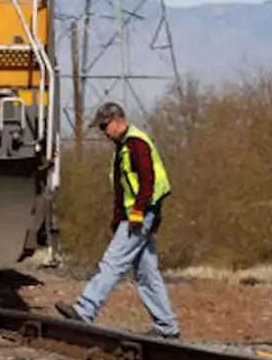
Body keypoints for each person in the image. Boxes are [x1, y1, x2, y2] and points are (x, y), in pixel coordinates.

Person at [55, 102, 181, 339]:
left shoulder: (136, 145)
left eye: (104, 126)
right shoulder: (124, 147)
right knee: (147, 274)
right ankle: (166, 326)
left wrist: (137, 213)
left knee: (112, 263)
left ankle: (85, 309)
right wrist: (117, 219)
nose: (103, 132)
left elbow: (148, 181)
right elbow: (122, 189)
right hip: (138, 215)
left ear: (117, 121)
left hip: (140, 215)